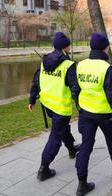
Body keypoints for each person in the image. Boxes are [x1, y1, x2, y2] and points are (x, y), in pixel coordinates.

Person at [74, 32, 112, 196]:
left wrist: (80, 106)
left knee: (85, 146)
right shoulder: (106, 68)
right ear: (105, 47)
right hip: (105, 114)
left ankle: (82, 184)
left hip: (86, 113)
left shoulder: (80, 65)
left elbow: (75, 90)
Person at [28, 32, 80, 181]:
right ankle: (44, 168)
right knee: (55, 136)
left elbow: (36, 81)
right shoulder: (68, 65)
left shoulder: (44, 61)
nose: (70, 47)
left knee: (61, 128)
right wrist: (80, 107)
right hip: (61, 107)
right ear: (65, 47)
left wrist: (32, 99)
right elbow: (75, 88)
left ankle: (71, 148)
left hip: (48, 105)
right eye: (69, 45)